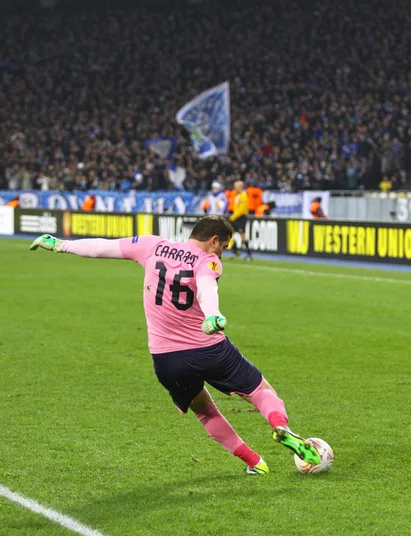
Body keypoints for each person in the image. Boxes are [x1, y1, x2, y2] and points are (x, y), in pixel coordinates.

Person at [30, 215, 321, 475]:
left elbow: (101, 248)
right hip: (207, 348)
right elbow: (207, 287)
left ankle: (254, 462)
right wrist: (212, 316)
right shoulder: (206, 259)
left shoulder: (150, 245)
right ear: (214, 240)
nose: (222, 254)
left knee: (205, 411)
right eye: (223, 247)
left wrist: (61, 244)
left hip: (165, 359)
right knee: (259, 391)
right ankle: (280, 427)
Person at [228, 180, 253, 260]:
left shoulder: (243, 195)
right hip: (236, 217)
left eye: (236, 186)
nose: (234, 188)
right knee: (231, 233)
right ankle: (235, 251)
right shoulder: (238, 195)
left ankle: (249, 254)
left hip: (241, 217)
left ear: (240, 186)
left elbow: (241, 209)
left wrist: (233, 216)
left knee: (242, 235)